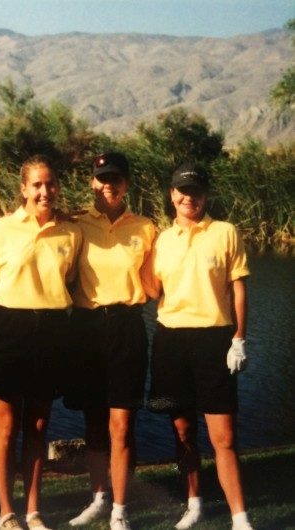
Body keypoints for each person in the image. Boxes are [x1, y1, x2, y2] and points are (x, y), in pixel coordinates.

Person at [147, 163, 253, 530]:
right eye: (182, 191)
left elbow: (238, 287)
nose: (189, 198)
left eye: (196, 191)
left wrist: (239, 337)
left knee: (223, 437)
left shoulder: (225, 232)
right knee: (183, 432)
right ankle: (193, 504)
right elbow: (151, 291)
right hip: (171, 340)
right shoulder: (161, 239)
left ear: (206, 195)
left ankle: (240, 517)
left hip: (214, 340)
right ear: (172, 195)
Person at [0, 155, 82, 530]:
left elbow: (70, 281)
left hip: (52, 329)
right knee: (6, 427)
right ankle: (7, 513)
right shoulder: (0, 229)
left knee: (38, 426)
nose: (45, 191)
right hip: (7, 328)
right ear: (23, 189)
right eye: (37, 185)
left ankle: (33, 510)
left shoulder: (72, 233)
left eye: (50, 183)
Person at [65, 152, 156, 530]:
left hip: (127, 328)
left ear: (127, 183)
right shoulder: (76, 225)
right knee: (94, 422)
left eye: (116, 178)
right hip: (86, 329)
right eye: (102, 178)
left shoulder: (147, 228)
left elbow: (154, 285)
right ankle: (99, 498)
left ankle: (120, 510)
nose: (109, 185)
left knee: (122, 423)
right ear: (92, 182)